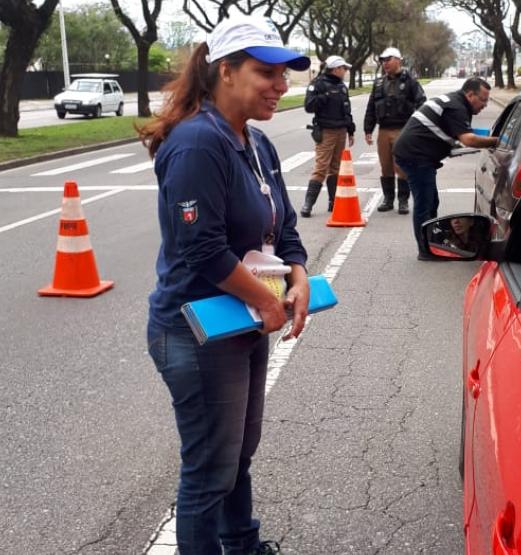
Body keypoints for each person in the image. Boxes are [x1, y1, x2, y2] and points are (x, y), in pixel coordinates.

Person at [138, 15, 311, 555]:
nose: (281, 86)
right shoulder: (196, 144)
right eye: (267, 72)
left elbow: (283, 225)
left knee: (236, 456)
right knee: (209, 469)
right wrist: (267, 300)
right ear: (225, 71)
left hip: (243, 319)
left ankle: (243, 544)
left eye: (285, 74)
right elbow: (202, 249)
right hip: (197, 330)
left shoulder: (256, 142)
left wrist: (299, 274)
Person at [393, 77, 499, 260]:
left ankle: (432, 242)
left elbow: (452, 132)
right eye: (483, 99)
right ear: (470, 94)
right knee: (424, 205)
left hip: (417, 154)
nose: (485, 105)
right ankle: (425, 250)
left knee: (432, 202)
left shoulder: (456, 102)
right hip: (415, 156)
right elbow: (469, 139)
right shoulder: (457, 107)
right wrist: (497, 141)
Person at [363, 47, 426, 215]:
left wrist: (416, 127)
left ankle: (403, 200)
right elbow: (371, 107)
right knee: (385, 166)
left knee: (402, 166)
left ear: (398, 60)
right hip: (383, 130)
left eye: (388, 59)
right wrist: (368, 129)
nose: (385, 63)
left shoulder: (410, 81)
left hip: (402, 129)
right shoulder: (378, 83)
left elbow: (421, 102)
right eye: (383, 60)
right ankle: (388, 199)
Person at [300, 54, 355, 217]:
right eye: (343, 68)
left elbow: (347, 110)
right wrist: (326, 96)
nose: (345, 71)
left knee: (336, 168)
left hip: (341, 131)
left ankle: (333, 202)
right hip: (326, 131)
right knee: (321, 167)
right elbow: (309, 106)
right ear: (336, 68)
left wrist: (350, 130)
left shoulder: (342, 86)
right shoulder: (318, 84)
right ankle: (308, 204)